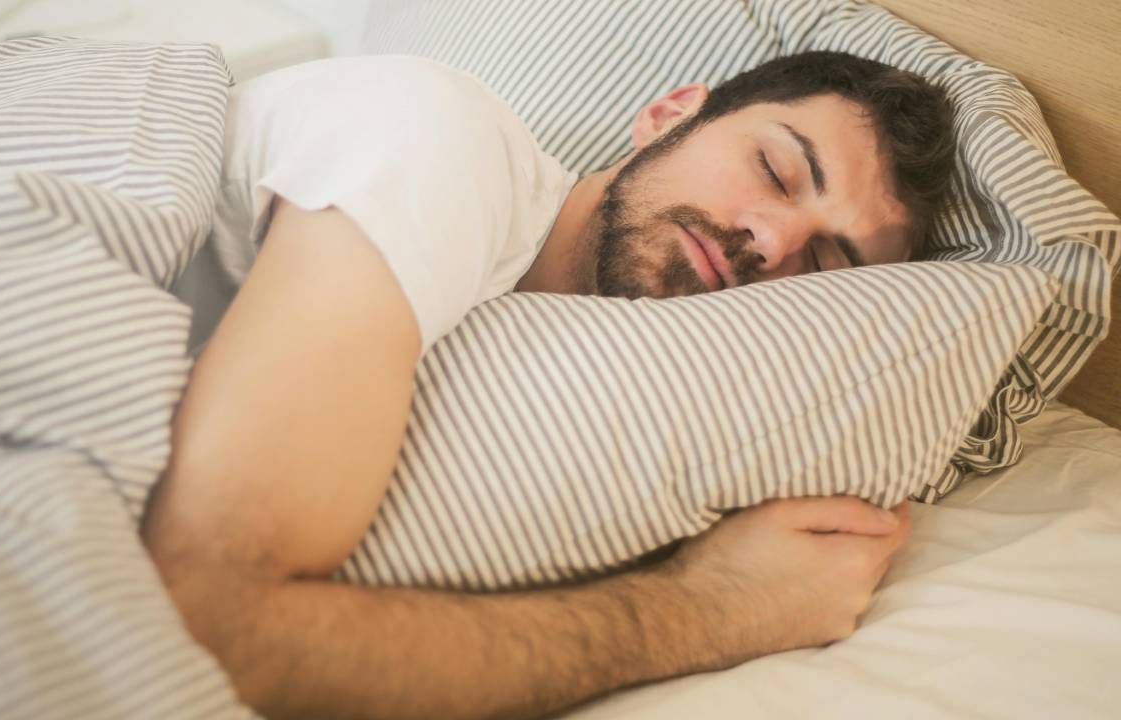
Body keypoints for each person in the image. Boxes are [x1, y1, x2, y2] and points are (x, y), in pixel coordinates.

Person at [142, 49, 954, 719]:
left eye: (822, 262)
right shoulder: (436, 143)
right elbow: (203, 629)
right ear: (669, 115)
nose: (771, 241)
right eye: (776, 170)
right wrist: (710, 609)